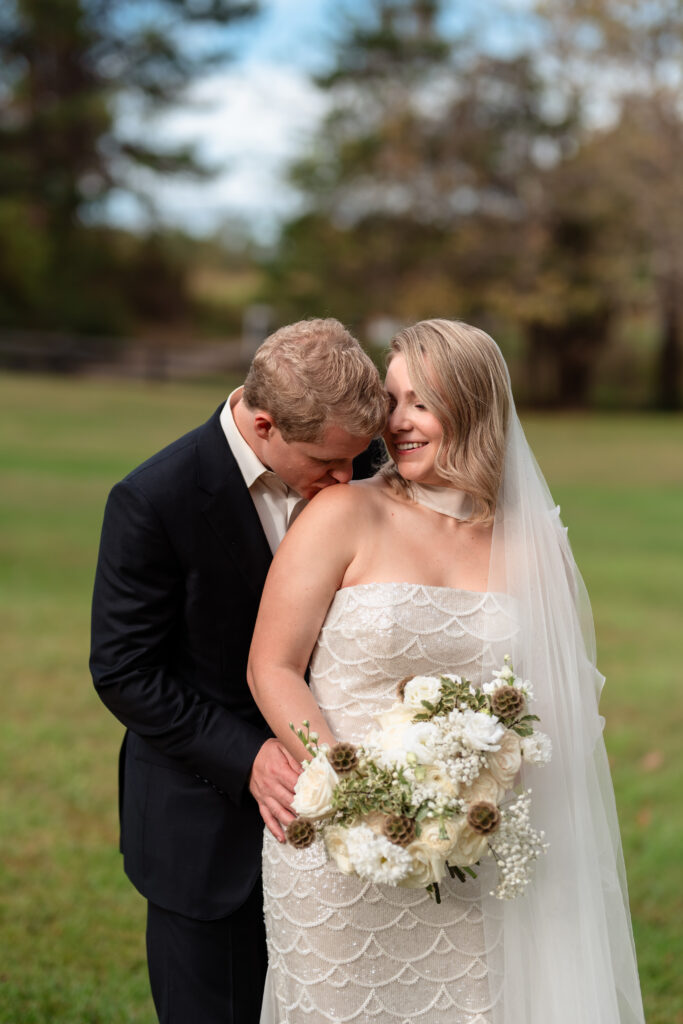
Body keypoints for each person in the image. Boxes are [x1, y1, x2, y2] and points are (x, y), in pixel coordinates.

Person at [248, 319, 646, 1024]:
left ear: (472, 407)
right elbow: (272, 666)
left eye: (419, 403)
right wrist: (349, 782)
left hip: (471, 852)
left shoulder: (534, 542)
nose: (395, 423)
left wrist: (479, 790)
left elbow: (557, 698)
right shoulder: (343, 512)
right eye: (391, 400)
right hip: (336, 855)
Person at [89, 318, 388, 1024]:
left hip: (363, 825)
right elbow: (125, 669)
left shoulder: (368, 460)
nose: (348, 480)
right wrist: (245, 753)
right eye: (327, 463)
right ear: (262, 423)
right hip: (204, 829)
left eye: (357, 458)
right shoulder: (153, 499)